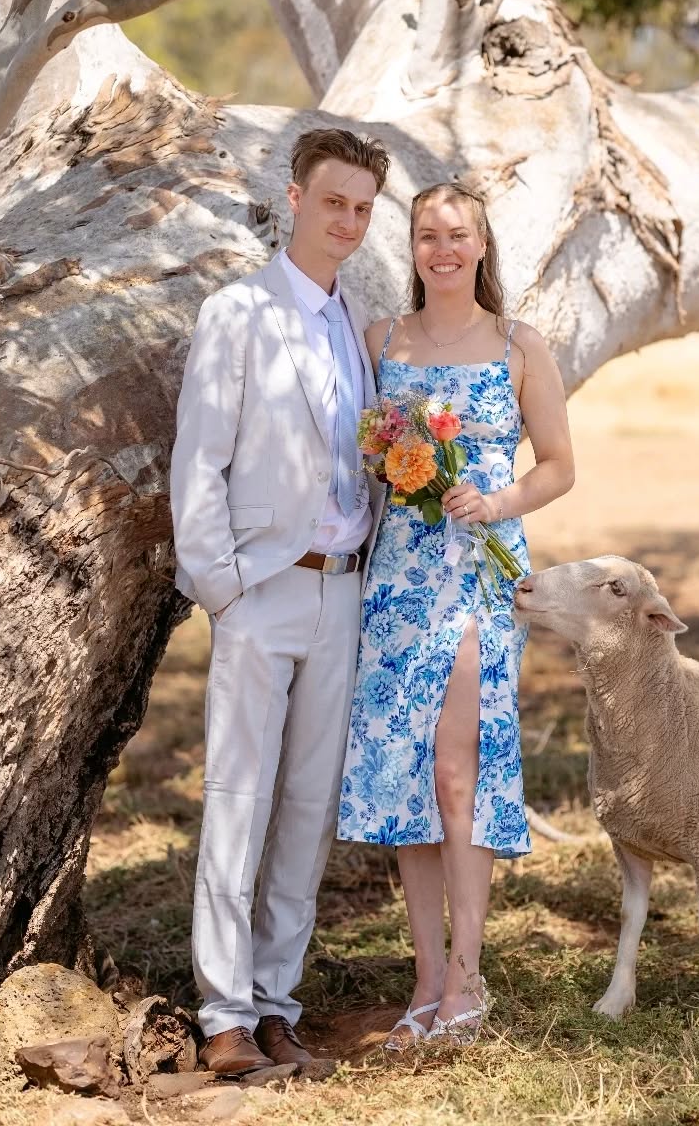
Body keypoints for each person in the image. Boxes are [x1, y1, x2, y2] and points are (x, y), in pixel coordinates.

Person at [169, 127, 389, 1075]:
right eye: (333, 201)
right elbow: (199, 463)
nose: (348, 221)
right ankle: (221, 1014)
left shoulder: (358, 321)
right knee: (239, 797)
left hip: (344, 595)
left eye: (363, 208)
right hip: (262, 589)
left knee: (306, 805)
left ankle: (274, 1004)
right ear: (294, 199)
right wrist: (224, 589)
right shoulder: (238, 312)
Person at [337, 181, 575, 1050]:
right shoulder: (379, 342)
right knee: (406, 778)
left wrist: (500, 499)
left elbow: (558, 466)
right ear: (412, 248)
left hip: (477, 576)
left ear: (481, 247)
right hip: (397, 582)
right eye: (427, 235)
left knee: (454, 772)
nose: (443, 248)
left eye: (458, 235)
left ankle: (470, 978)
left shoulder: (520, 345)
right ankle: (426, 978)